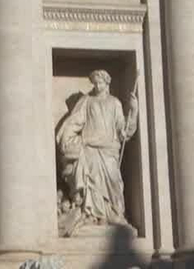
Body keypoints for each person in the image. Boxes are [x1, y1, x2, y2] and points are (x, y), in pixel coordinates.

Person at [56, 70, 139, 234]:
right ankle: (93, 216)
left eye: (100, 82)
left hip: (109, 150)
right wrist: (67, 138)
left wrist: (134, 111)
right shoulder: (87, 101)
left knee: (114, 183)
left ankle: (114, 214)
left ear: (107, 83)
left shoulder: (115, 103)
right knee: (92, 185)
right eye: (95, 83)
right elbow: (75, 122)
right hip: (90, 150)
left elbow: (123, 130)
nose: (97, 85)